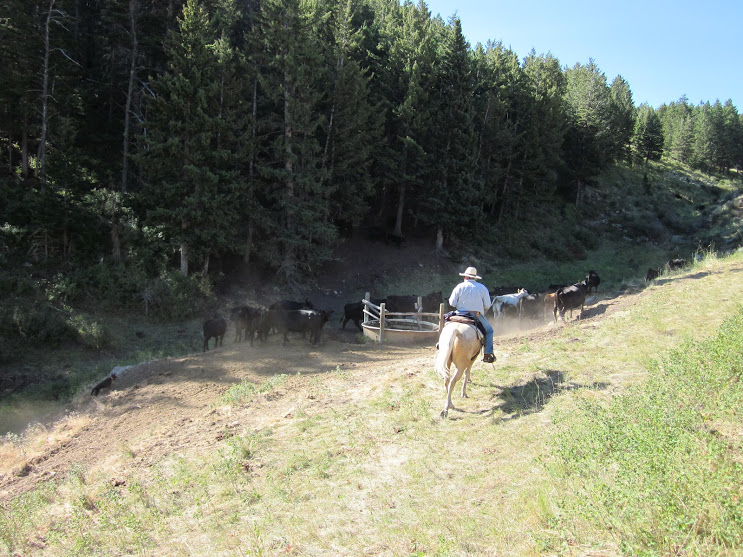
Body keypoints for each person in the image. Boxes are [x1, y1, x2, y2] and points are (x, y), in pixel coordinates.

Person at [448, 266, 495, 363]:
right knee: (489, 331)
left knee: (446, 324)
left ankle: (441, 343)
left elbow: (452, 303)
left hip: (459, 314)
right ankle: (487, 354)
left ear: (465, 277)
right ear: (475, 278)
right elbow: (487, 305)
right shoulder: (482, 288)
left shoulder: (459, 286)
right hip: (475, 315)